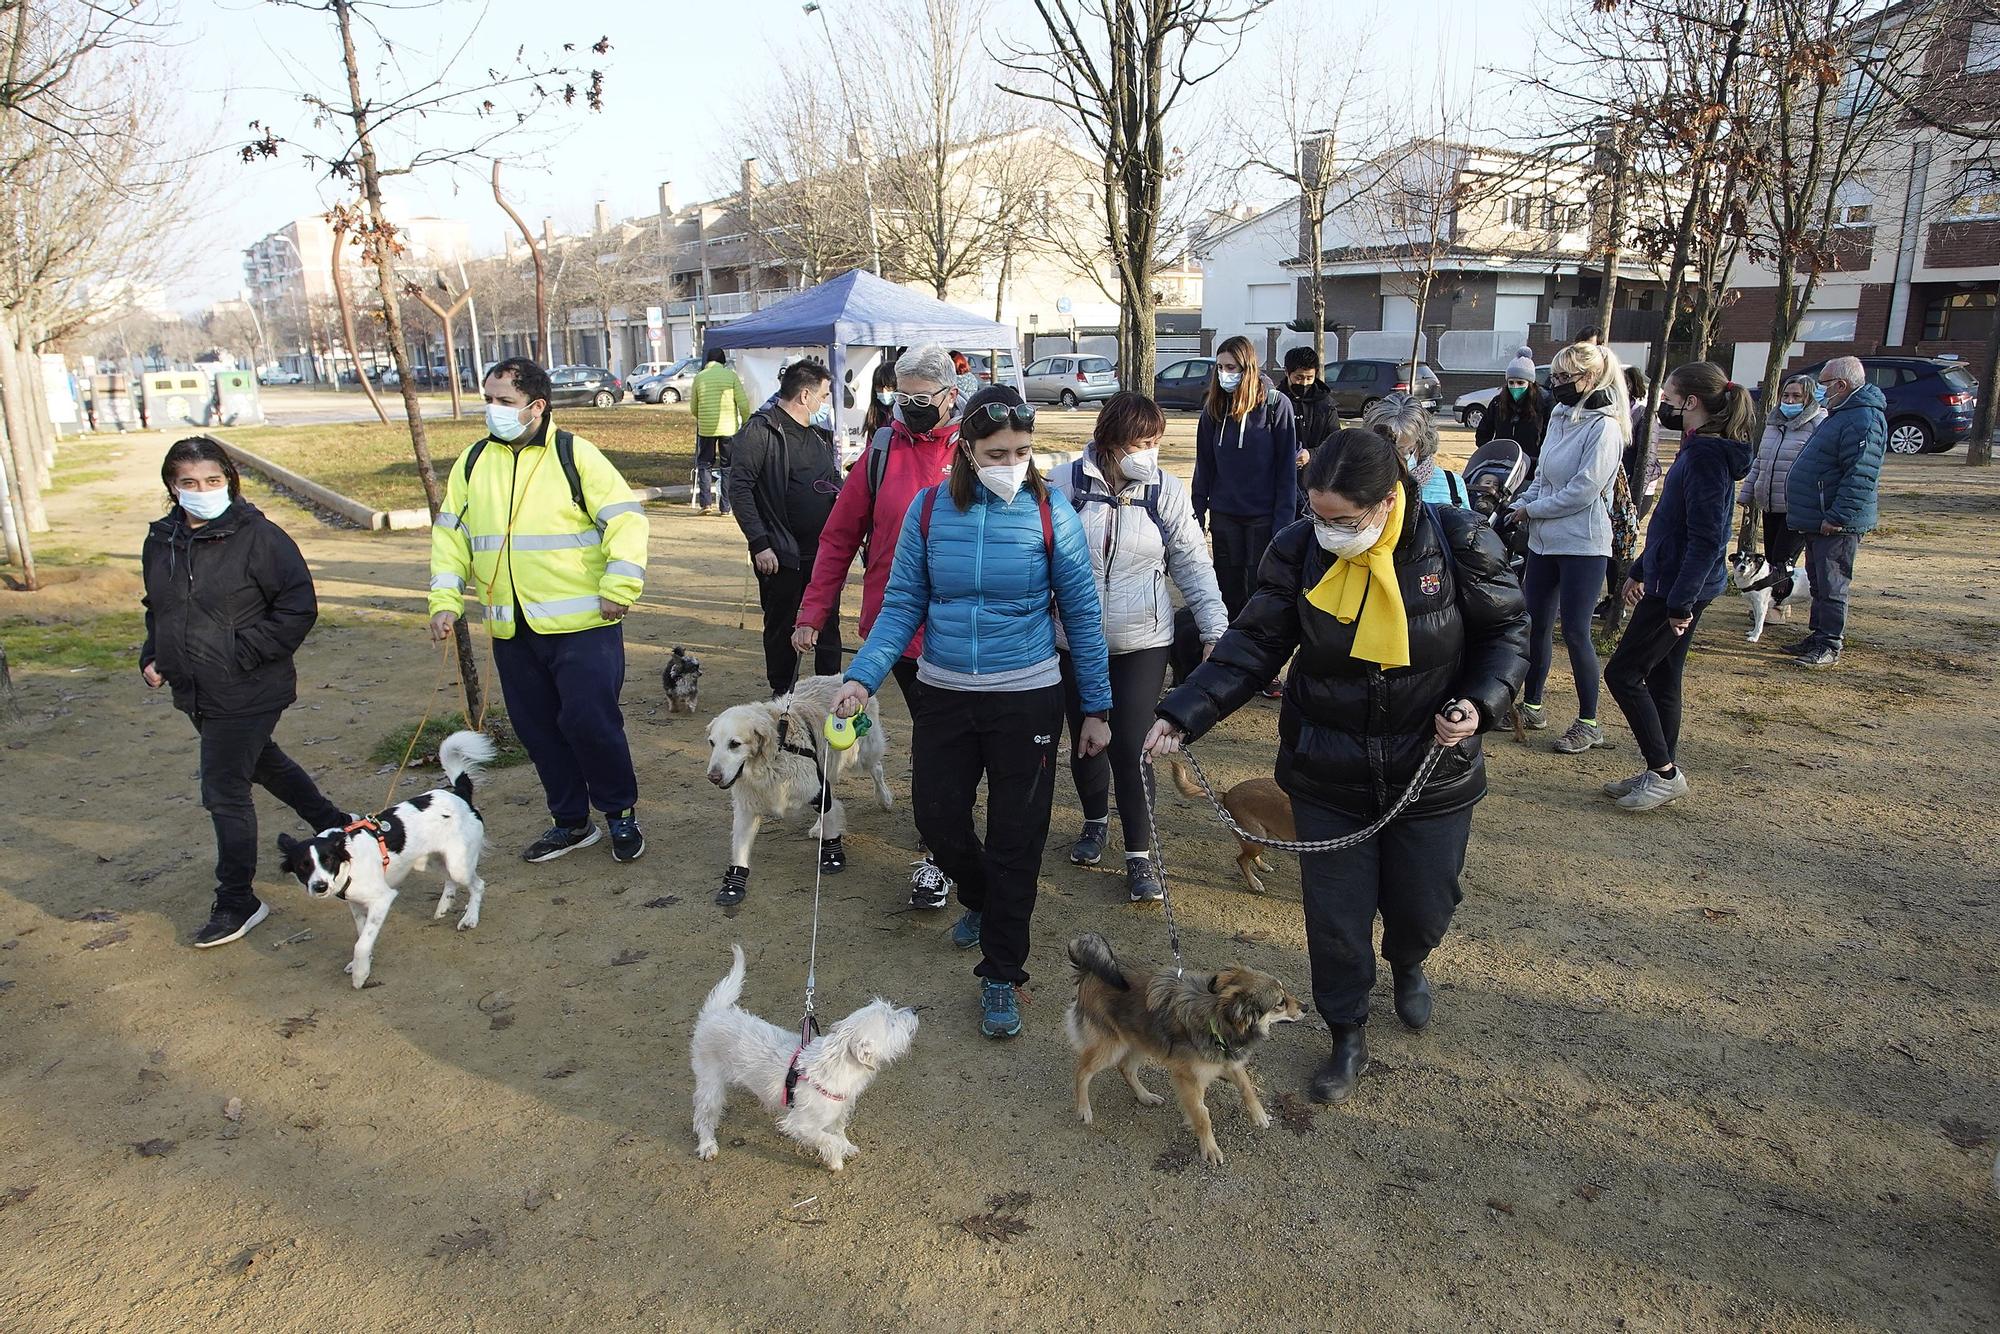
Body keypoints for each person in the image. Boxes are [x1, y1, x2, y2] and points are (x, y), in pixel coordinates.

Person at [1145, 428, 1528, 1104]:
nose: (1324, 530)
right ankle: (1346, 1030)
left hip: (1431, 769)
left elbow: (1507, 631)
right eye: (1316, 514)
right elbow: (1253, 644)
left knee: (1423, 904)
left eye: (1341, 520)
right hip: (1328, 772)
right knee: (1337, 923)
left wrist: (1480, 700)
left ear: (1387, 500)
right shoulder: (1298, 552)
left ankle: (1410, 961)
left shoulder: (1459, 541)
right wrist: (1183, 713)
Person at [830, 386, 1112, 1041]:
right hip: (946, 694)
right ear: (966, 450)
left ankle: (1002, 974)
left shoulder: (1052, 512)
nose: (1011, 461)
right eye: (996, 452)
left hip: (1029, 697)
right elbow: (900, 606)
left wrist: (1094, 707)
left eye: (1022, 450)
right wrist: (860, 678)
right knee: (938, 818)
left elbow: (1082, 615)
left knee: (1019, 839)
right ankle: (984, 899)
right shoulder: (928, 511)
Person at [429, 357, 650, 864]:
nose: (492, 410)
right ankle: (570, 822)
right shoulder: (472, 462)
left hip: (583, 626)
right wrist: (444, 601)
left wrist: (620, 586)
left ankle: (620, 815)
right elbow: (450, 538)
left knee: (591, 724)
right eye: (487, 399)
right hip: (511, 627)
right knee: (538, 731)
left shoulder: (575, 454)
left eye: (503, 401)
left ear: (536, 406)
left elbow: (626, 521)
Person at [141, 437, 352, 947]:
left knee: (224, 791)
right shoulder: (161, 539)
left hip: (248, 686)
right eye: (189, 483)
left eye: (213, 481)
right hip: (194, 685)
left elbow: (298, 606)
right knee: (262, 763)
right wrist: (153, 653)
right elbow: (160, 606)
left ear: (230, 481)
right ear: (172, 486)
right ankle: (338, 825)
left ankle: (239, 899)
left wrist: (243, 652)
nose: (202, 491)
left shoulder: (260, 537)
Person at [794, 344, 964, 908]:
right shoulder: (883, 448)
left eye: (920, 398)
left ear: (949, 396)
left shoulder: (973, 448)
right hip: (896, 627)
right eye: (899, 395)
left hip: (959, 627)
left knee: (946, 739)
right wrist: (813, 611)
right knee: (930, 735)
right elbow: (840, 534)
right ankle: (938, 832)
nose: (907, 406)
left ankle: (941, 837)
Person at [1049, 391, 1228, 901]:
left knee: (1131, 744)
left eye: (1155, 441)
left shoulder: (1165, 491)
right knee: (1086, 739)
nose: (1148, 451)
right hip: (1073, 641)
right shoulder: (1063, 485)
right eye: (1139, 442)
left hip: (1144, 639)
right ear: (1109, 441)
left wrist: (1215, 628)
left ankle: (1139, 856)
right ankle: (1093, 819)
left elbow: (1192, 561)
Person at [1604, 363, 1752, 811]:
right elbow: (1673, 526)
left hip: (1680, 590)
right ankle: (1658, 768)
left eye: (1667, 399)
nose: (1661, 406)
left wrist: (1680, 603)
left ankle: (1665, 773)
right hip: (1671, 580)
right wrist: (1640, 569)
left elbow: (1708, 537)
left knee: (1624, 674)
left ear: (1691, 403)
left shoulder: (1707, 456)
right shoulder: (1697, 448)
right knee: (1665, 677)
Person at [1510, 341, 1628, 754]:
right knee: (1534, 624)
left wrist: (1533, 511)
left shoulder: (1606, 427)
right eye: (1554, 377)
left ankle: (1589, 720)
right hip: (1544, 542)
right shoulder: (1561, 414)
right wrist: (1521, 503)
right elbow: (1543, 474)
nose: (1555, 385)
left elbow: (1583, 490)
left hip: (1584, 544)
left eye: (1564, 378)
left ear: (1589, 378)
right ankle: (1533, 704)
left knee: (1576, 631)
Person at [729, 358, 845, 695]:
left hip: (823, 554)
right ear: (805, 395)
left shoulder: (819, 435)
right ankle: (783, 695)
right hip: (781, 554)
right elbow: (740, 489)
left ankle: (829, 691)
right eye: (823, 396)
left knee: (828, 622)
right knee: (781, 626)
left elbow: (832, 480)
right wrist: (759, 542)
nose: (825, 404)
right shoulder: (761, 431)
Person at [1785, 355, 1885, 669]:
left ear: (1840, 385)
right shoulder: (1842, 413)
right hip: (1818, 516)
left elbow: (1861, 474)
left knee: (1832, 585)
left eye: (1824, 384)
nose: (1819, 390)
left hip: (1835, 522)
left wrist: (1838, 516)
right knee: (1819, 582)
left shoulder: (1863, 419)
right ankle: (1817, 636)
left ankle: (1829, 644)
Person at [1193, 335, 1300, 623]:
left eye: (1231, 367)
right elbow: (1203, 466)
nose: (1225, 374)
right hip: (1225, 516)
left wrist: (1283, 525)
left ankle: (1258, 654)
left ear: (1248, 367)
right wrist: (1197, 511)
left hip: (1263, 518)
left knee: (1260, 589)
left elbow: (1286, 474)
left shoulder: (1277, 407)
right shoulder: (1213, 410)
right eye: (1220, 367)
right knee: (1227, 590)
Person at [1741, 373, 1824, 578]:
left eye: (1796, 396)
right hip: (1770, 503)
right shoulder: (1773, 424)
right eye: (1785, 395)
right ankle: (1777, 602)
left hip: (1797, 506)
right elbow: (1760, 461)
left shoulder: (1818, 424)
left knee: (1782, 559)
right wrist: (1746, 493)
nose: (1789, 401)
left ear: (1809, 399)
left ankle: (1779, 604)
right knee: (1771, 558)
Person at [1364, 393, 1464, 506]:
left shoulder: (1452, 485)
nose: (1393, 458)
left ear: (1421, 443)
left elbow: (1470, 522)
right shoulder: (1356, 482)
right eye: (1383, 449)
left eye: (1402, 451)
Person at [689, 348, 751, 516]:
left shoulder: (699, 377)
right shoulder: (730, 376)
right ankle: (726, 507)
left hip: (706, 429)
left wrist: (702, 417)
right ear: (723, 361)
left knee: (704, 464)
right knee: (727, 467)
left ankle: (706, 503)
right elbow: (743, 404)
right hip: (729, 429)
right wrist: (745, 422)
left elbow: (693, 407)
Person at [1474, 347, 1552, 464]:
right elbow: (1484, 431)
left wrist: (1538, 460)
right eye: (1511, 382)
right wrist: (1491, 453)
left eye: (1520, 382)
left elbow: (1548, 436)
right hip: (1501, 463)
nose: (1515, 386)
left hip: (1531, 466)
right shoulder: (1498, 403)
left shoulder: (1543, 404)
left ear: (1530, 383)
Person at [1281, 345, 1343, 459]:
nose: (1304, 383)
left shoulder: (1326, 405)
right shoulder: (1275, 402)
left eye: (1309, 378)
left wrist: (1311, 454)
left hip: (1317, 470)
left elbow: (1335, 442)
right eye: (1298, 378)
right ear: (1286, 372)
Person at [860, 358, 899, 442]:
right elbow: (870, 448)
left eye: (889, 388)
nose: (884, 393)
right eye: (879, 388)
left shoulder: (904, 417)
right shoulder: (874, 415)